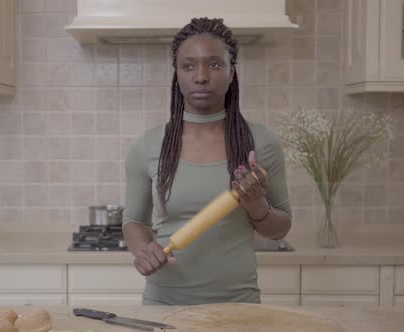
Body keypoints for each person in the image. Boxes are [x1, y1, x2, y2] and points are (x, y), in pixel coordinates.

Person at [122, 17, 292, 305]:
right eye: (188, 66)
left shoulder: (261, 142)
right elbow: (134, 221)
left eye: (214, 64)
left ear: (231, 72)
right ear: (176, 74)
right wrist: (142, 250)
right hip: (164, 304)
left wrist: (256, 206)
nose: (200, 76)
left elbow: (280, 229)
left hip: (238, 306)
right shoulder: (147, 145)